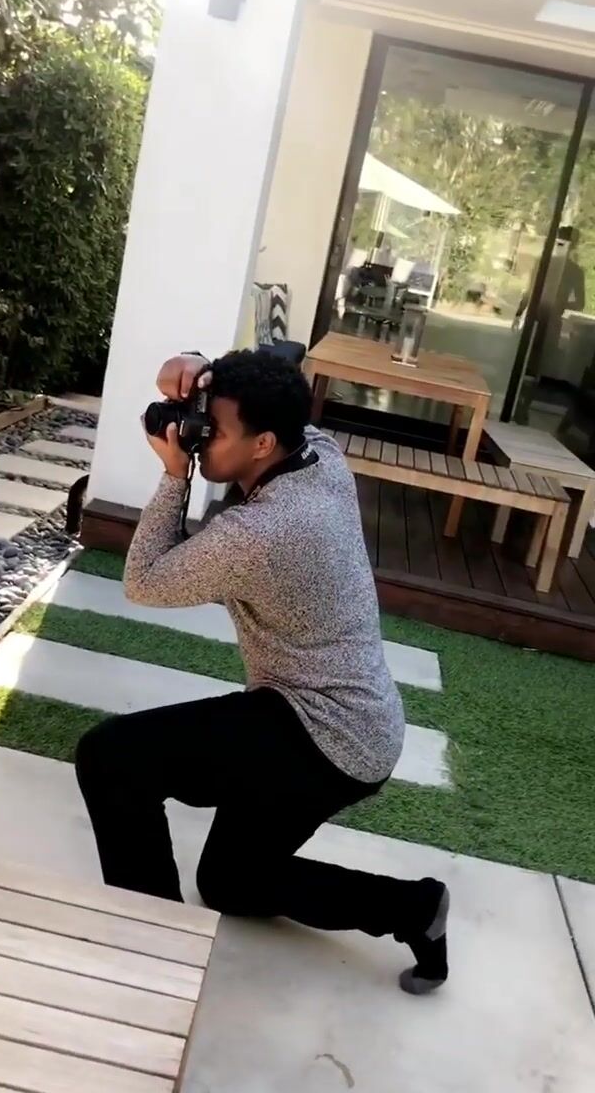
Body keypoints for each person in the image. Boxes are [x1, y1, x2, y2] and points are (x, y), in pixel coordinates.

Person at [75, 349, 449, 996]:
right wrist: (199, 366)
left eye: (211, 430)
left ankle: (154, 951)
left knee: (112, 758)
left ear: (263, 443)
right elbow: (273, 395)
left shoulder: (263, 531)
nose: (197, 438)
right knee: (232, 883)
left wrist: (174, 476)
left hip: (320, 733)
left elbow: (143, 582)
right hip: (360, 724)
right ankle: (415, 908)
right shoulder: (320, 455)